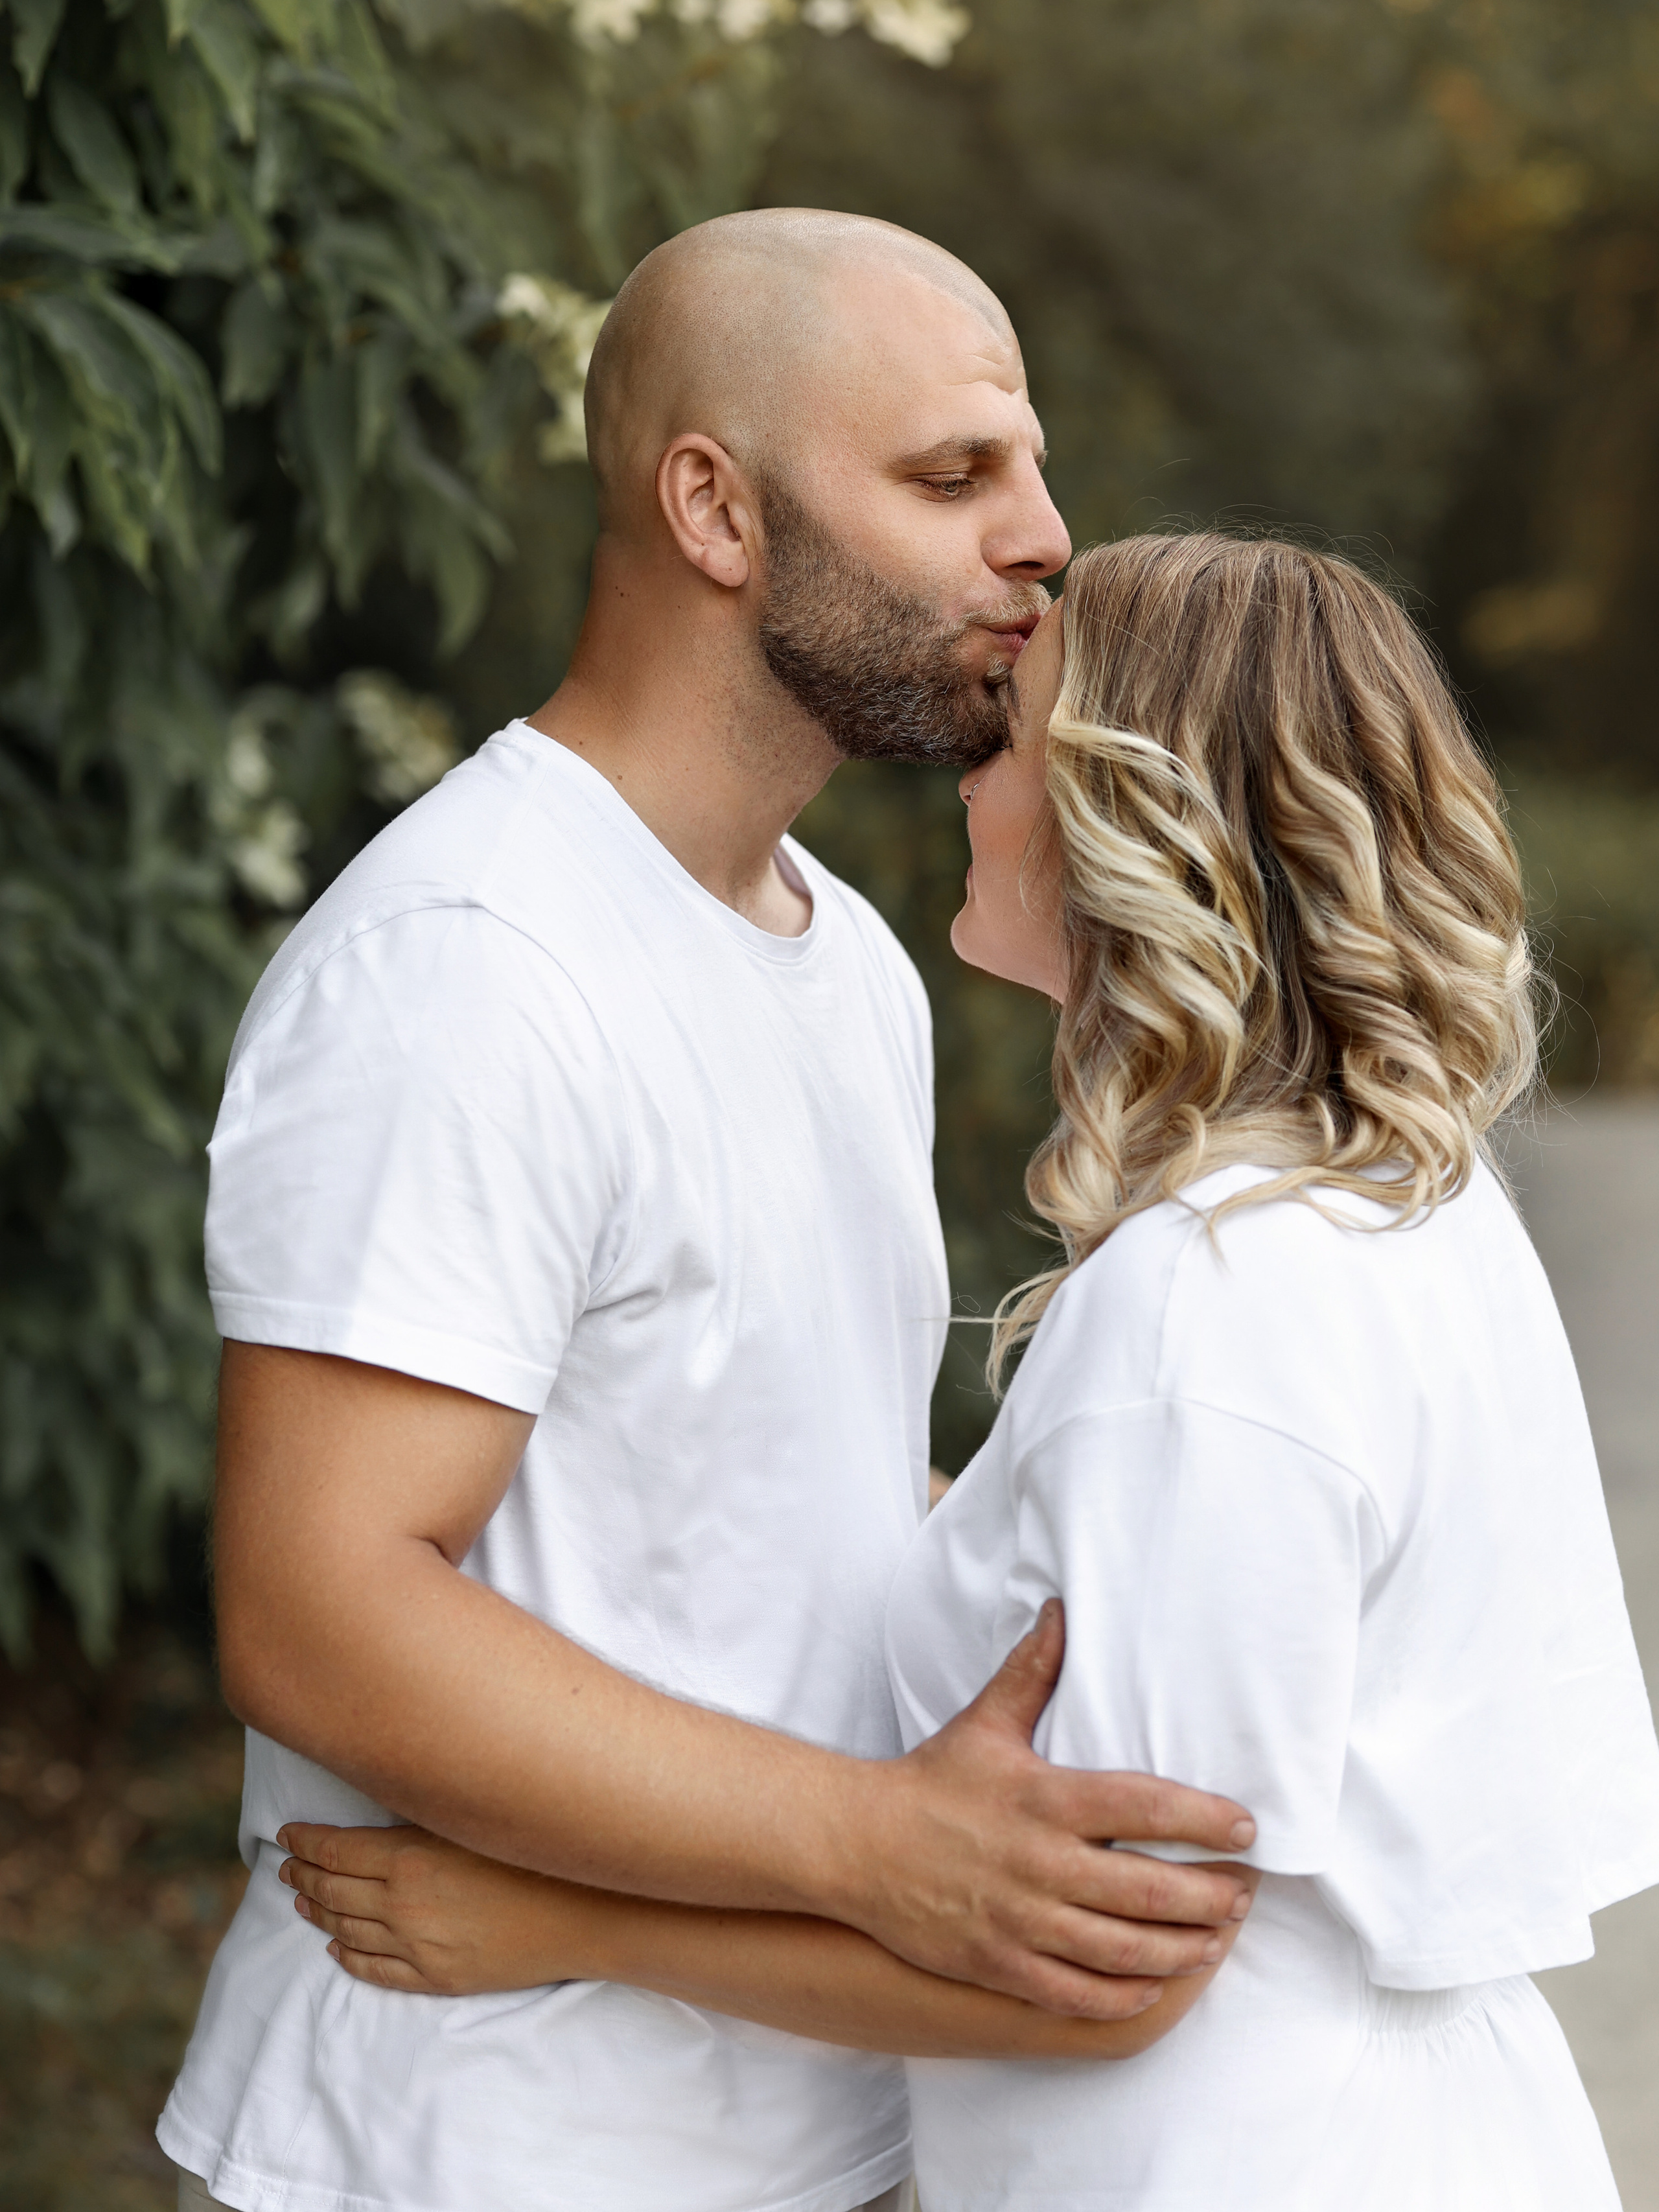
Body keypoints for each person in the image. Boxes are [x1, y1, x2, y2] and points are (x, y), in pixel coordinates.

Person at [279, 533, 1659, 2210]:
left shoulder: (1210, 1310)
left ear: (1139, 825)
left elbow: (1106, 1976)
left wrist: (557, 1922)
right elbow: (1117, 1583)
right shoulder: (1402, 1200)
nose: (967, 783)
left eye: (1010, 739)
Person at [157, 218, 1260, 2212]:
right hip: (474, 2150)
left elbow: (762, 1490)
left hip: (810, 2132)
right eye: (952, 478)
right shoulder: (474, 962)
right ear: (713, 509)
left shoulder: (853, 961)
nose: (1046, 539)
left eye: (1027, 467)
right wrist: (881, 1849)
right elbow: (319, 1614)